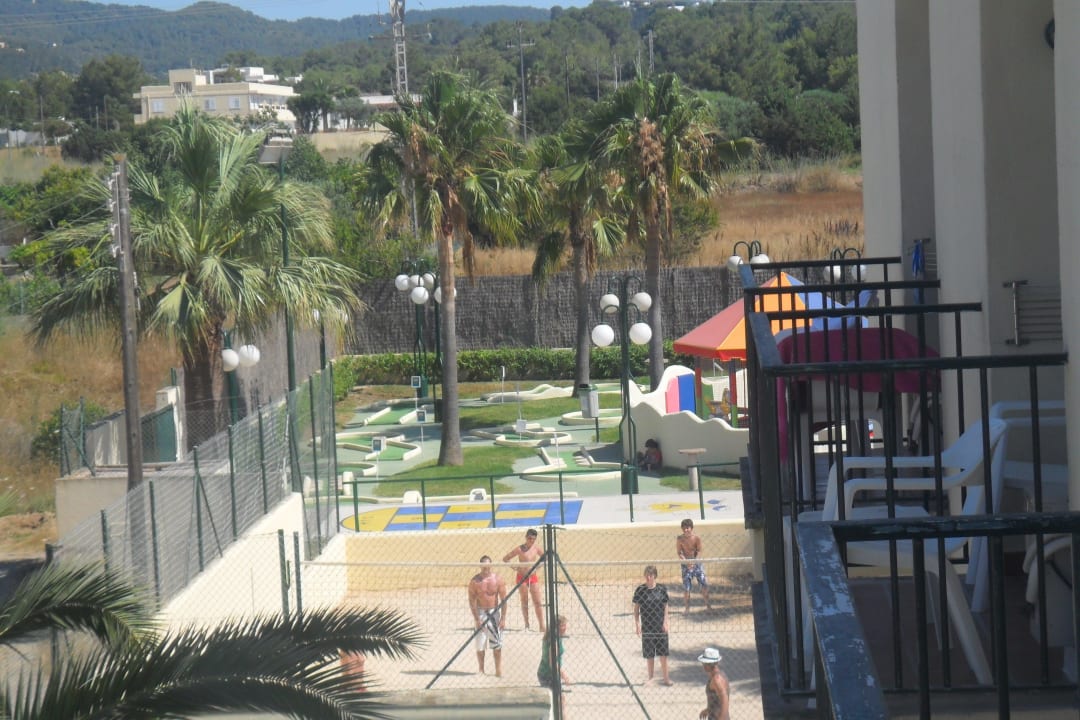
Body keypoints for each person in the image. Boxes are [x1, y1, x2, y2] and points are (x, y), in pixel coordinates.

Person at [632, 565, 672, 685]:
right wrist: (637, 624)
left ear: (654, 576)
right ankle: (651, 679)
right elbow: (636, 609)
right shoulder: (640, 590)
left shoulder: (661, 589)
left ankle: (666, 679)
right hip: (647, 627)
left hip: (660, 627)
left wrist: (666, 622)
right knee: (650, 655)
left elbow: (666, 606)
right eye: (646, 575)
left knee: (663, 654)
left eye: (650, 575)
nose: (647, 577)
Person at [467, 555, 507, 676]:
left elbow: (504, 600)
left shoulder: (498, 580)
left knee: (497, 644)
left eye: (488, 566)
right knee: (480, 644)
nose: (486, 568)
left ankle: (498, 670)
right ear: (480, 566)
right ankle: (481, 670)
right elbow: (472, 601)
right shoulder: (475, 581)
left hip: (494, 613)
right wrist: (476, 619)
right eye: (484, 566)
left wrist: (503, 618)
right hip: (481, 612)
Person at [502, 528, 546, 632]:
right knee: (524, 600)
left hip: (532, 577)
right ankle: (527, 625)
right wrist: (515, 568)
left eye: (533, 539)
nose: (531, 541)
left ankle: (541, 625)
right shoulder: (519, 549)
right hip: (521, 577)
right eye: (530, 538)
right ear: (526, 537)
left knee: (537, 601)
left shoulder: (536, 548)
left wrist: (537, 568)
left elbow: (545, 558)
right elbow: (505, 559)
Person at [537, 614, 570, 716]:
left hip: (546, 673)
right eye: (563, 625)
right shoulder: (554, 641)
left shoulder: (552, 636)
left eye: (565, 625)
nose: (565, 628)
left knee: (559, 699)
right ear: (556, 627)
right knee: (560, 700)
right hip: (548, 675)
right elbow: (553, 663)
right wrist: (564, 675)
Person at [676, 518, 712, 612]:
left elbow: (699, 551)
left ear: (691, 528)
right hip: (686, 564)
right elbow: (679, 552)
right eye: (684, 528)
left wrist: (694, 562)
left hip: (697, 563)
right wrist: (686, 562)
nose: (686, 530)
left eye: (687, 528)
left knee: (703, 585)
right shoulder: (680, 539)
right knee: (686, 587)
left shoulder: (696, 538)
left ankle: (708, 606)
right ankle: (687, 608)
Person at [697, 647, 730, 720]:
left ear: (708, 664)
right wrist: (708, 710)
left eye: (704, 663)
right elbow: (716, 701)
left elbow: (725, 701)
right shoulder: (720, 675)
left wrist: (721, 718)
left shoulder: (716, 680)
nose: (703, 665)